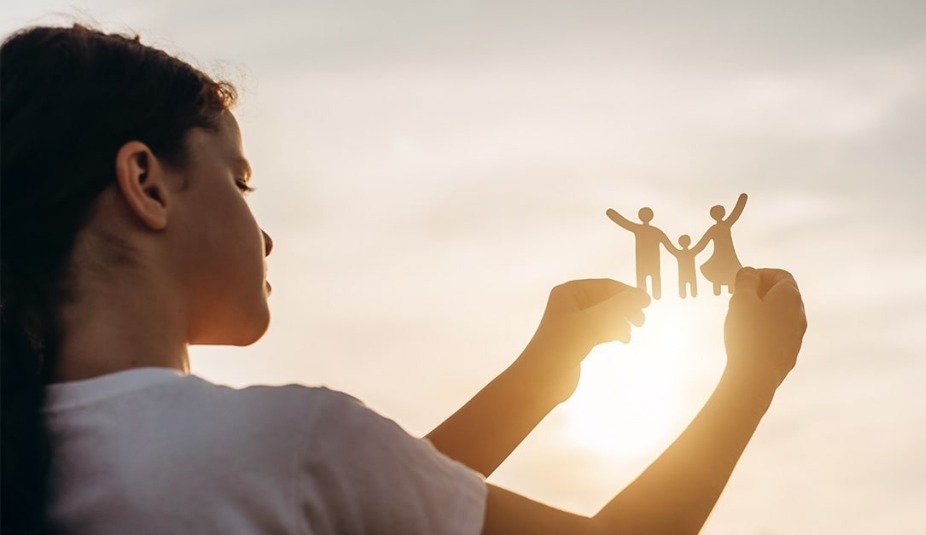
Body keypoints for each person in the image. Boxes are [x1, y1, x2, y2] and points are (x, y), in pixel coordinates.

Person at [1, 24, 808, 535]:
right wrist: (753, 374)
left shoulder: (38, 449)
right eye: (239, 181)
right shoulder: (288, 440)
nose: (265, 230)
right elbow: (331, 480)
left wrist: (542, 374)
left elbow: (351, 500)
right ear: (145, 182)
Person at [606, 207, 674, 299]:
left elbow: (624, 223)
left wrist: (611, 213)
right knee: (648, 281)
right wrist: (611, 213)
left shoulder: (645, 229)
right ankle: (649, 297)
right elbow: (671, 247)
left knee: (649, 281)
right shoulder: (655, 231)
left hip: (648, 263)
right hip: (646, 263)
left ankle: (650, 296)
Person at [694, 193, 748, 296]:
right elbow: (703, 242)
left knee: (731, 268)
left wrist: (742, 200)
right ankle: (718, 287)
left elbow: (736, 213)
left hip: (728, 253)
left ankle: (728, 286)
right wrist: (692, 252)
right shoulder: (716, 228)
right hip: (721, 253)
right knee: (718, 269)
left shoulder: (725, 224)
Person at [665, 234, 708, 299]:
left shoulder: (679, 253)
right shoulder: (691, 252)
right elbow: (700, 246)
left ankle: (689, 294)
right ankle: (690, 294)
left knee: (686, 289)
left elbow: (670, 248)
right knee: (689, 289)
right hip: (689, 275)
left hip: (684, 275)